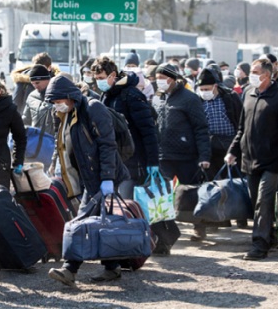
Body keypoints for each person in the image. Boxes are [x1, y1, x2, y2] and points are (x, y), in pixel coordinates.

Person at [45, 75, 130, 287]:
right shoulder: (67, 114)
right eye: (54, 102)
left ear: (70, 96)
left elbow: (107, 145)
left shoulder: (93, 109)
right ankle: (113, 267)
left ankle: (70, 269)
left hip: (101, 177)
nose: (57, 105)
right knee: (103, 222)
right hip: (87, 176)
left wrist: (108, 179)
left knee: (82, 222)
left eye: (58, 101)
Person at [225, 58, 278, 260]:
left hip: (272, 161)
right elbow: (242, 128)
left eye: (256, 72)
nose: (252, 75)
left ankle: (259, 245)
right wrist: (233, 151)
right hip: (249, 160)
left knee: (263, 202)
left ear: (267, 76)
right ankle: (271, 234)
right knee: (255, 201)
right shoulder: (248, 93)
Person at [152, 63, 211, 241]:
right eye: (157, 78)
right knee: (162, 195)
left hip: (186, 155)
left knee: (191, 193)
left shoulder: (190, 99)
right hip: (163, 155)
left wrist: (204, 156)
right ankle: (165, 233)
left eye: (162, 78)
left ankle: (199, 225)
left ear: (172, 79)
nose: (159, 82)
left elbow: (201, 128)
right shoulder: (157, 98)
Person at [92, 56, 159, 192]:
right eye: (97, 79)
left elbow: (148, 131)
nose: (99, 82)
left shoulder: (131, 95)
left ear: (113, 75)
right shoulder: (106, 95)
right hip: (114, 162)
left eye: (101, 78)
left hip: (132, 162)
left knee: (127, 204)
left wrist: (153, 162)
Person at [195, 68, 242, 179]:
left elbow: (240, 120)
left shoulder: (230, 97)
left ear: (215, 86)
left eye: (207, 89)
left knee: (233, 179)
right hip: (210, 145)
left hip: (230, 143)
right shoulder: (198, 101)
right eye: (201, 89)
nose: (204, 92)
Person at [22, 64, 57, 136]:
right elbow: (26, 119)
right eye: (33, 83)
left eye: (37, 83)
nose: (35, 86)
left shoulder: (58, 95)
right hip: (36, 142)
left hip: (53, 142)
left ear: (47, 79)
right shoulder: (31, 96)